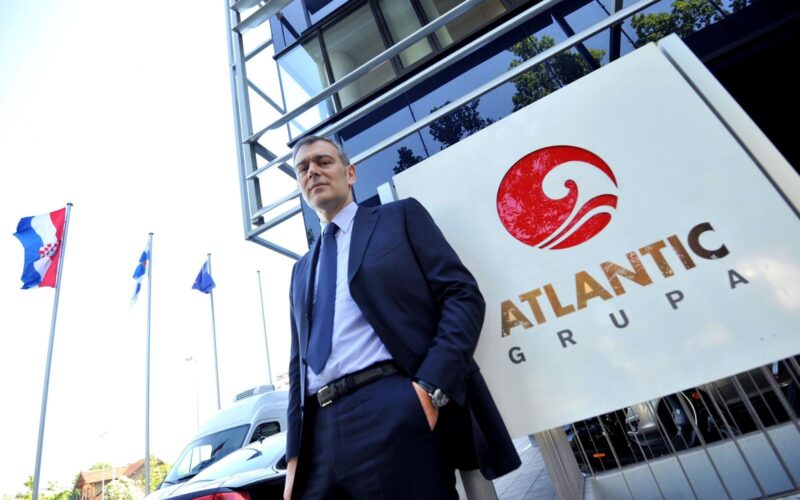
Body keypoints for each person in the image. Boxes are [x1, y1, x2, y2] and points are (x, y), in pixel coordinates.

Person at [284, 136, 520, 499]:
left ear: (350, 174)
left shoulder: (399, 218)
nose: (312, 171)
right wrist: (294, 458)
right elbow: (297, 368)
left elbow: (462, 295)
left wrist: (429, 389)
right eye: (303, 168)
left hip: (390, 407)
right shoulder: (300, 270)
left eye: (323, 161)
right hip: (318, 438)